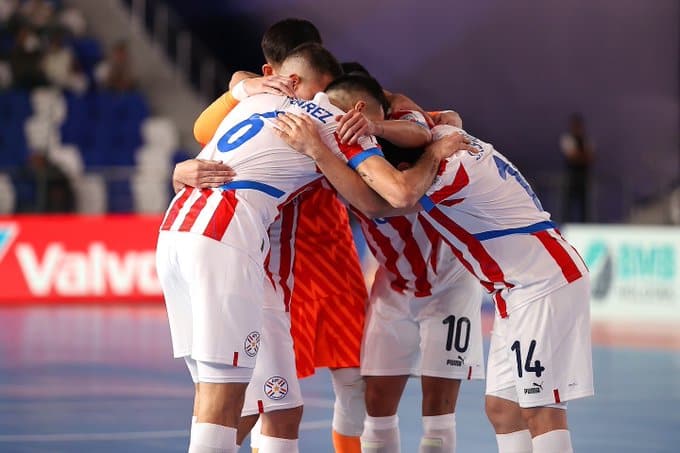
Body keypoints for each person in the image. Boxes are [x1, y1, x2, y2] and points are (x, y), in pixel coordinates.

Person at [158, 43, 455, 453]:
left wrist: (236, 92)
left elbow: (211, 123)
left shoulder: (259, 98)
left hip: (191, 233)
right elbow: (387, 199)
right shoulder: (334, 123)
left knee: (280, 405)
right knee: (226, 397)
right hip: (231, 244)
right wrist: (433, 152)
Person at [276, 109, 594, 453]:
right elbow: (444, 117)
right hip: (512, 291)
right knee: (502, 410)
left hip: (542, 284)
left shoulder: (449, 172)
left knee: (540, 409)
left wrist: (319, 149)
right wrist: (377, 126)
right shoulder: (443, 138)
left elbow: (384, 202)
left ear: (400, 169)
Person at [321, 74, 486, 453]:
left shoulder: (414, 129)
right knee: (376, 408)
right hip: (394, 285)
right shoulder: (336, 150)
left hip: (450, 284)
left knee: (437, 414)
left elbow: (447, 117)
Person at [560, 113, 594, 223]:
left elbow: (591, 157)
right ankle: (566, 223)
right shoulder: (567, 139)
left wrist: (579, 156)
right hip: (571, 177)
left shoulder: (586, 140)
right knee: (568, 203)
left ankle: (584, 225)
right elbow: (572, 157)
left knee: (584, 204)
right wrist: (582, 157)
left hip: (584, 177)